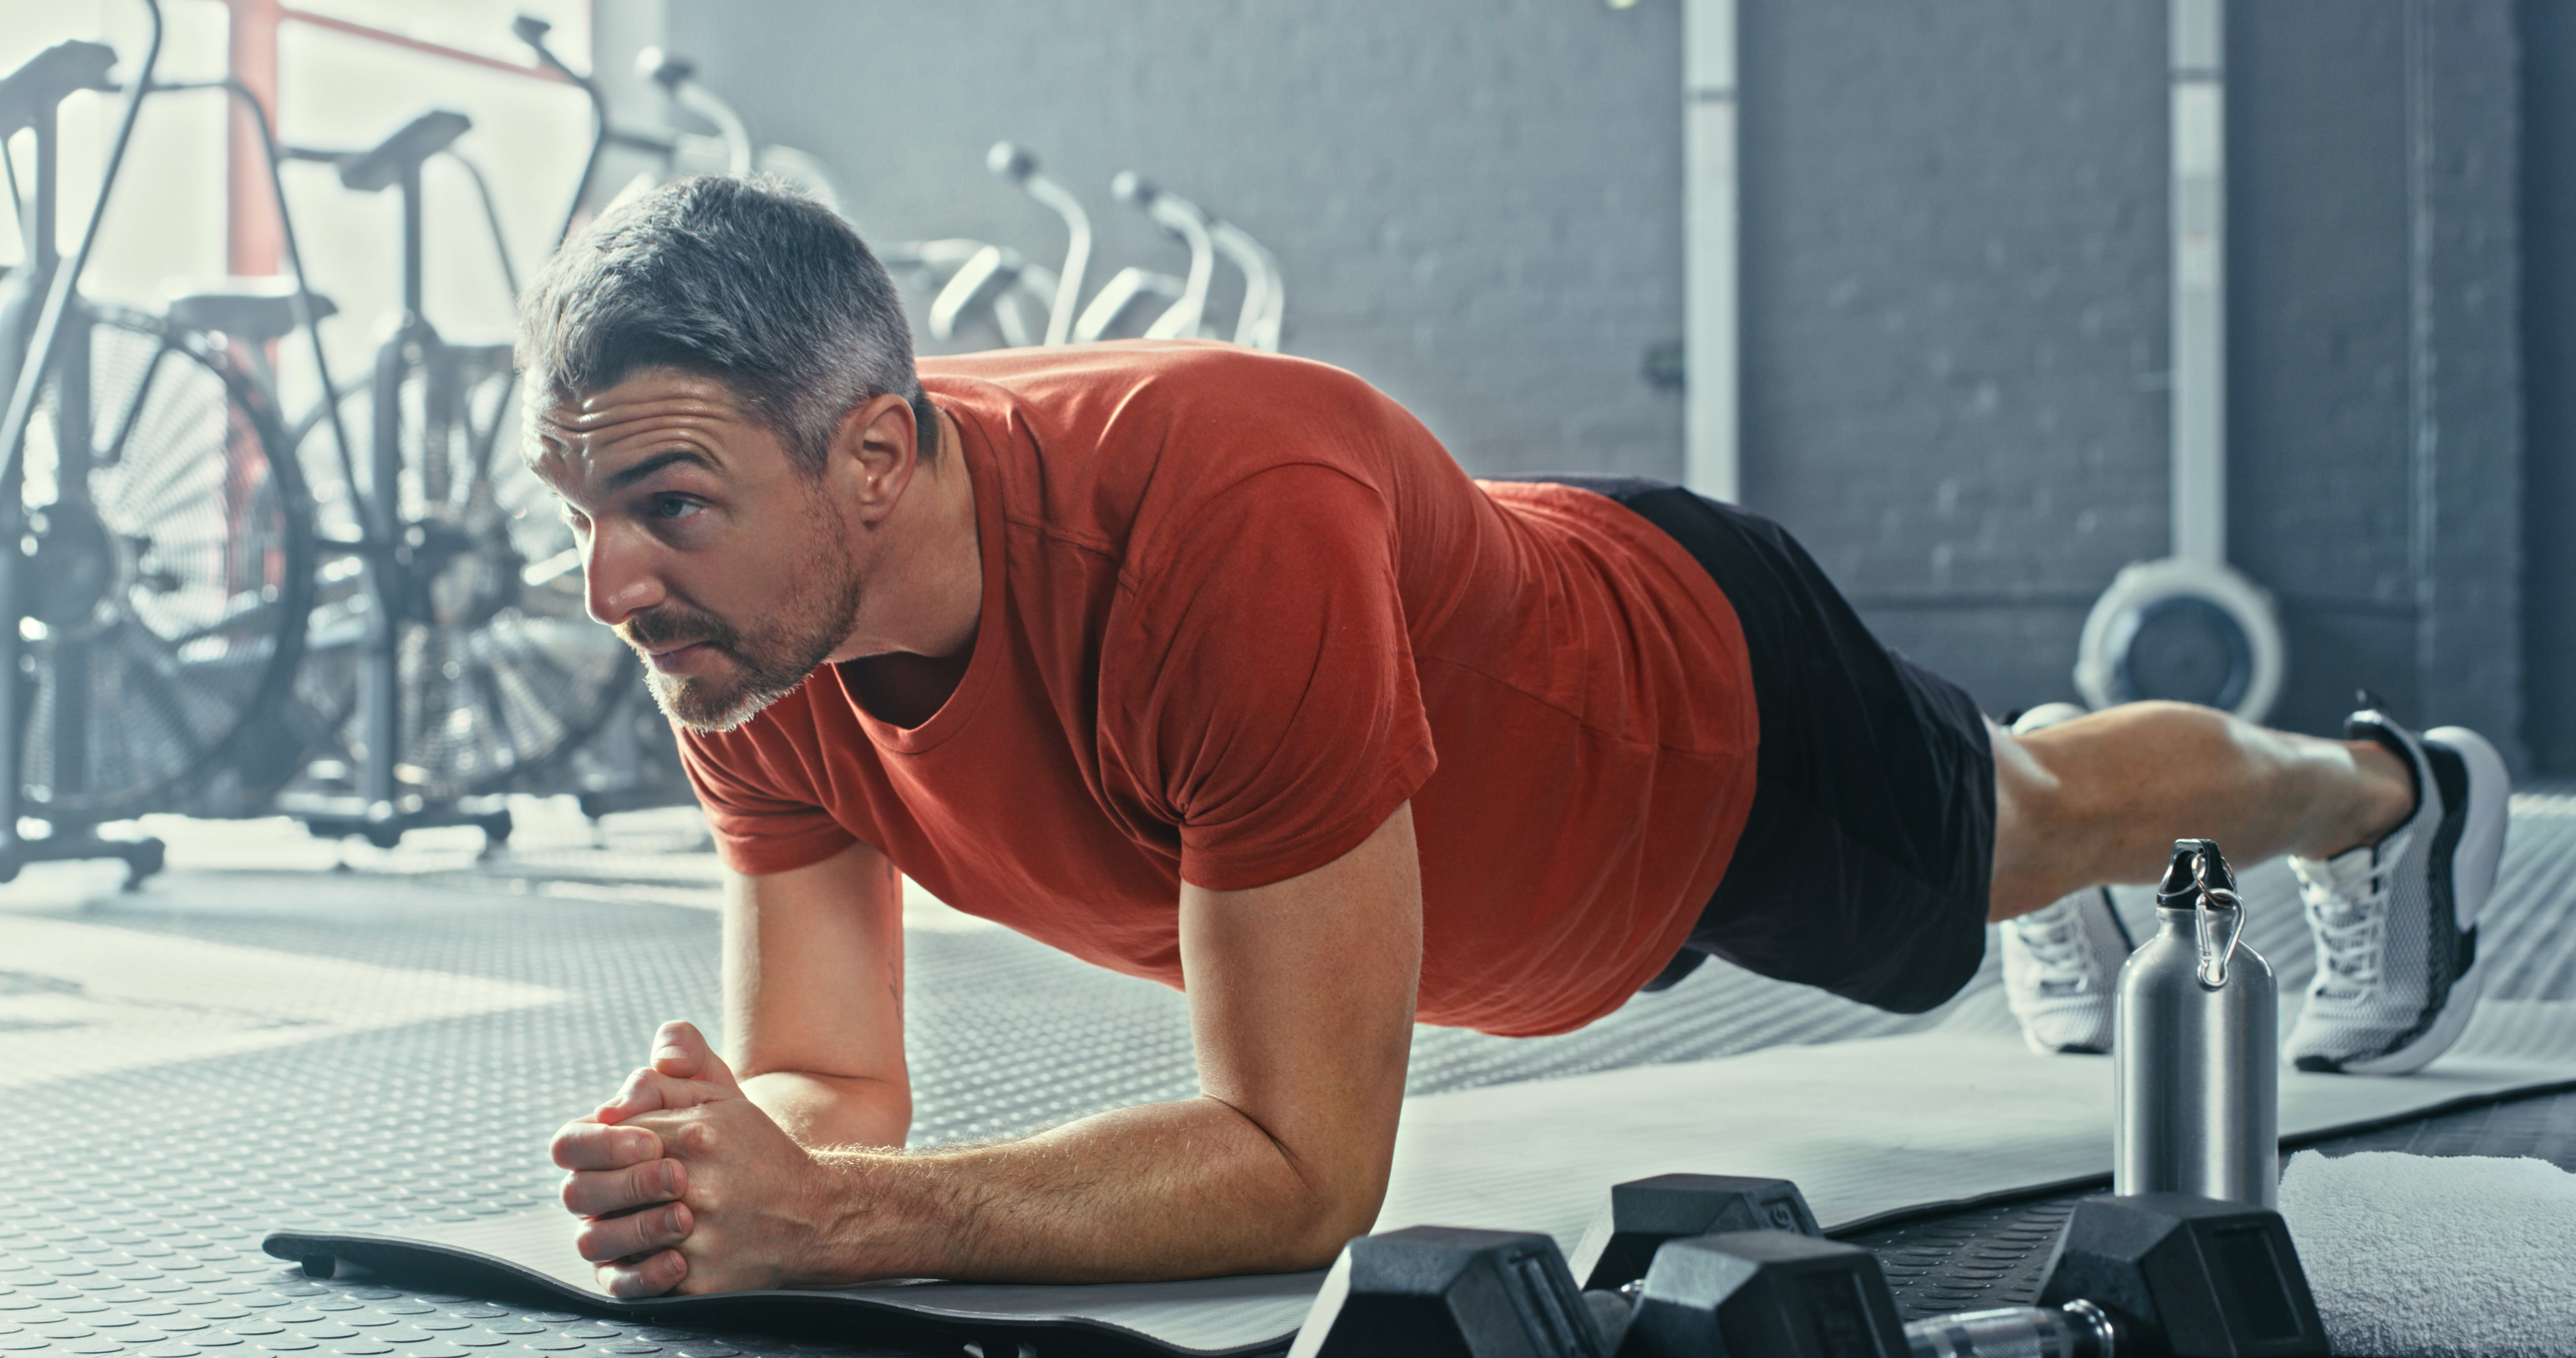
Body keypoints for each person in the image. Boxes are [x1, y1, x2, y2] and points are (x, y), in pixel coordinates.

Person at [521, 176, 2509, 1298]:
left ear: (873, 460)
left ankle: (2385, 794)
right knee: (2021, 810)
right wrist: (729, 1162)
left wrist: (847, 1221)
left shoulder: (1213, 523)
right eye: (577, 509)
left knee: (2020, 819)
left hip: (1701, 735)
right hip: (1495, 762)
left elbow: (1306, 1170)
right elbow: (826, 1067)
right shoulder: (750, 635)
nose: (610, 581)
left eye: (663, 509)